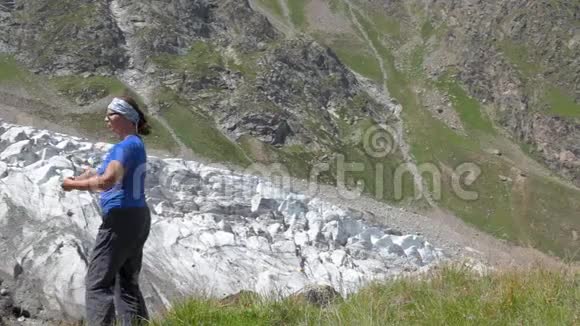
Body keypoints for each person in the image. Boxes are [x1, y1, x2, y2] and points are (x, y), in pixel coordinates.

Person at [61, 96, 151, 325]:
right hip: (137, 216)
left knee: (97, 283)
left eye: (111, 114)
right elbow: (103, 175)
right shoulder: (134, 145)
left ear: (126, 117)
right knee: (127, 284)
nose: (106, 118)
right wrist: (85, 176)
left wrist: (72, 185)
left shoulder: (126, 145)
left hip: (121, 219)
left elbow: (106, 182)